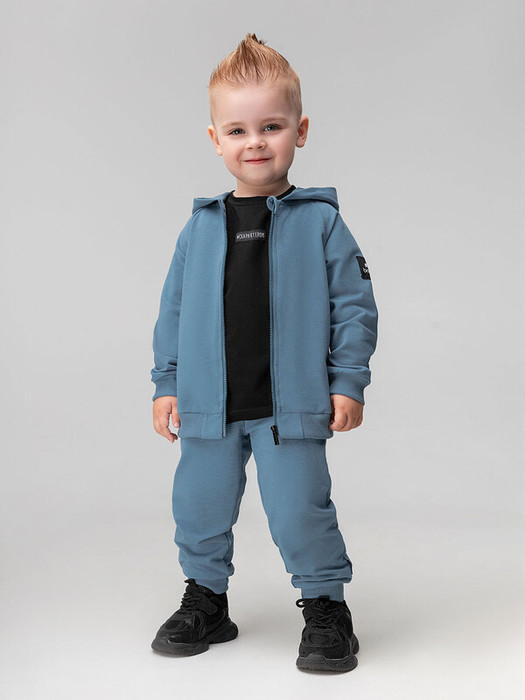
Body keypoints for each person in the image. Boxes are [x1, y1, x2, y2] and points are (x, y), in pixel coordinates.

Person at [149, 33, 379, 673]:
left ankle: (327, 608)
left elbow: (354, 306)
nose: (255, 142)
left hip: (292, 406)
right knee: (198, 508)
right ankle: (206, 600)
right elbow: (172, 312)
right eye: (238, 130)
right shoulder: (199, 228)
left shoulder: (321, 222)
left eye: (271, 127)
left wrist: (347, 381)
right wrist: (167, 383)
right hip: (208, 406)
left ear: (299, 131)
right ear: (216, 139)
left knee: (301, 510)